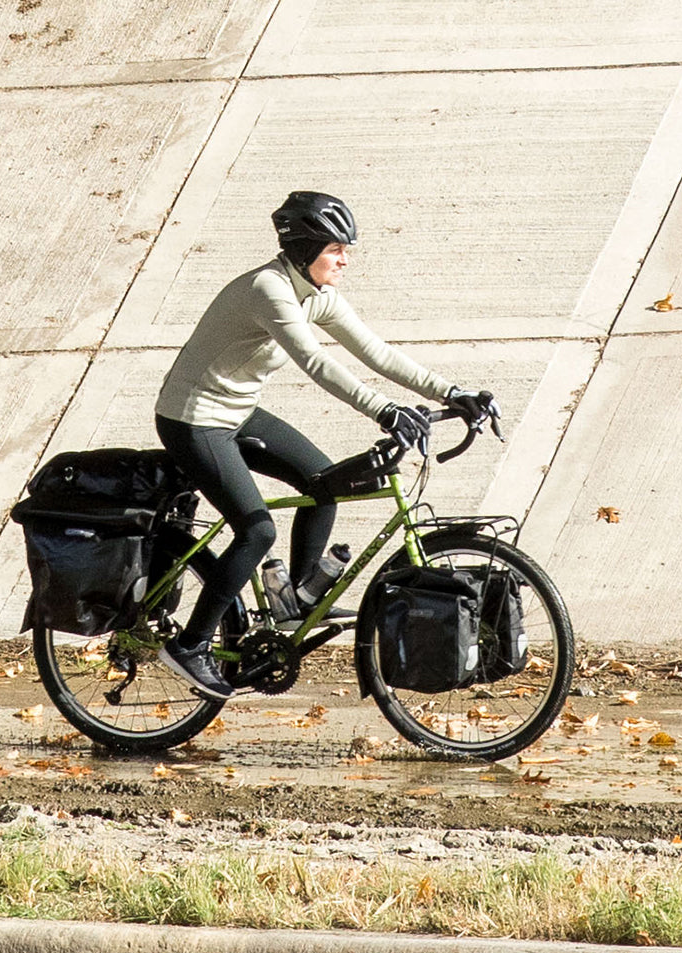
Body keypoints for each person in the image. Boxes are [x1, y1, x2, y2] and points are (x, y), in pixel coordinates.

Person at [155, 191, 495, 699]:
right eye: (336, 249)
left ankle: (294, 597)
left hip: (238, 411)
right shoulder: (269, 291)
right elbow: (316, 362)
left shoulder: (316, 293)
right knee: (257, 531)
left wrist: (452, 392)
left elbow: (376, 351)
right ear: (306, 249)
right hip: (194, 419)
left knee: (325, 483)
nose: (345, 259)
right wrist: (384, 410)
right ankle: (190, 645)